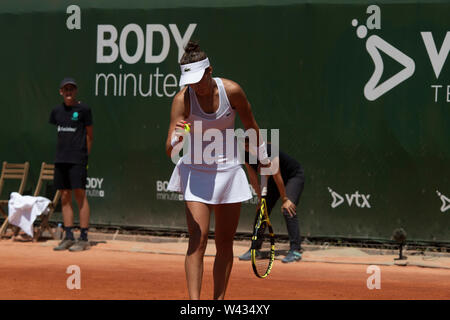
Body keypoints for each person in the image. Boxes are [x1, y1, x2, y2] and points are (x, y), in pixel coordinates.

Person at [165, 41, 270, 300]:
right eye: (189, 81)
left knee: (224, 243)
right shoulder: (182, 100)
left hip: (229, 172)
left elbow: (251, 126)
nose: (195, 86)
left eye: (199, 79)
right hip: (195, 172)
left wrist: (265, 158)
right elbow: (169, 150)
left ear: (210, 71)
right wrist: (178, 138)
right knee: (197, 241)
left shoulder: (232, 91)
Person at [239, 139, 305, 263]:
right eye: (244, 143)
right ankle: (255, 249)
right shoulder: (246, 154)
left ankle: (295, 250)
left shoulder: (269, 151)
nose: (246, 146)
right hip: (275, 181)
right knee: (262, 209)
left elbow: (277, 174)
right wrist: (260, 198)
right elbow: (253, 177)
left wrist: (285, 199)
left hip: (293, 176)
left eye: (248, 142)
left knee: (288, 208)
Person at [49, 77, 93, 252]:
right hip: (61, 159)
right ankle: (68, 236)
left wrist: (84, 157)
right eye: (65, 89)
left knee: (80, 195)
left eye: (71, 89)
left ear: (75, 91)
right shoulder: (56, 112)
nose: (68, 92)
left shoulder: (84, 110)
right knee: (65, 196)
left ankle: (83, 238)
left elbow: (90, 136)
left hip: (78, 159)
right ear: (61, 92)